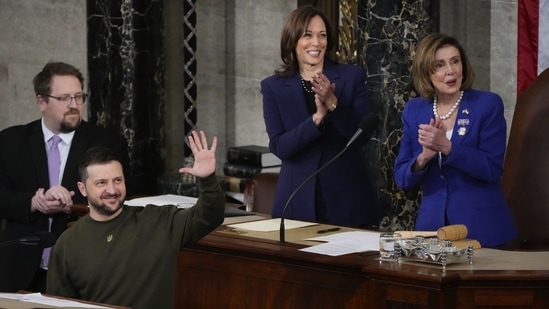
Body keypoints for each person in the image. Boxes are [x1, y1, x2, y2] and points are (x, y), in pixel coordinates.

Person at [46, 130, 224, 309]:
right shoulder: (67, 244)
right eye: (101, 183)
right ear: (82, 188)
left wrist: (208, 180)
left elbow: (209, 216)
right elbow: (58, 305)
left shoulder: (159, 221)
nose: (112, 189)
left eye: (117, 180)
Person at [0, 62, 132, 292]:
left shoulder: (108, 143)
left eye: (79, 97)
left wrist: (73, 203)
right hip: (20, 271)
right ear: (42, 101)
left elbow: (123, 198)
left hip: (85, 270)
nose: (74, 105)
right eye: (65, 98)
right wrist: (32, 202)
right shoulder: (11, 141)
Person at [261, 6, 382, 227]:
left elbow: (360, 136)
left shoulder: (351, 76)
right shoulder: (273, 87)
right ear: (292, 40)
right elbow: (280, 146)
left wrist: (333, 102)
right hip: (296, 201)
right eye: (308, 35)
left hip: (347, 200)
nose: (316, 43)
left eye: (322, 35)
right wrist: (316, 119)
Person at [393, 33, 517, 247]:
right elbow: (402, 178)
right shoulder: (415, 110)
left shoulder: (487, 105)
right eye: (439, 65)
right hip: (432, 231)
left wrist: (448, 147)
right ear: (426, 72)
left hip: (480, 230)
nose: (450, 71)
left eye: (455, 61)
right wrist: (423, 157)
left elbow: (492, 168)